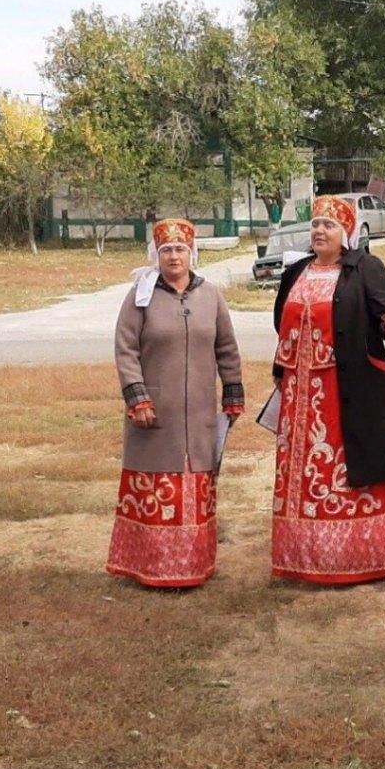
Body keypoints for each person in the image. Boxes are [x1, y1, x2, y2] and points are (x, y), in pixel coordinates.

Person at [269, 194, 385, 584]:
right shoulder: (296, 273)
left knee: (353, 466)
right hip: (300, 394)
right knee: (307, 474)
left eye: (329, 225)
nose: (320, 231)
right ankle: (305, 553)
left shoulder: (366, 268)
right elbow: (283, 323)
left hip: (349, 389)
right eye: (315, 225)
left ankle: (361, 553)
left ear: (345, 233)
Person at [107, 218, 244, 588]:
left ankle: (194, 564)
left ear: (192, 253)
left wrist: (232, 392)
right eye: (166, 249)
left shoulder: (210, 295)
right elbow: (126, 349)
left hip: (199, 415)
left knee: (196, 484)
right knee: (155, 487)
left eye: (180, 249)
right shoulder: (141, 297)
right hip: (153, 414)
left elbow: (227, 348)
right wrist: (137, 396)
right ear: (155, 255)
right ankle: (150, 566)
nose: (173, 256)